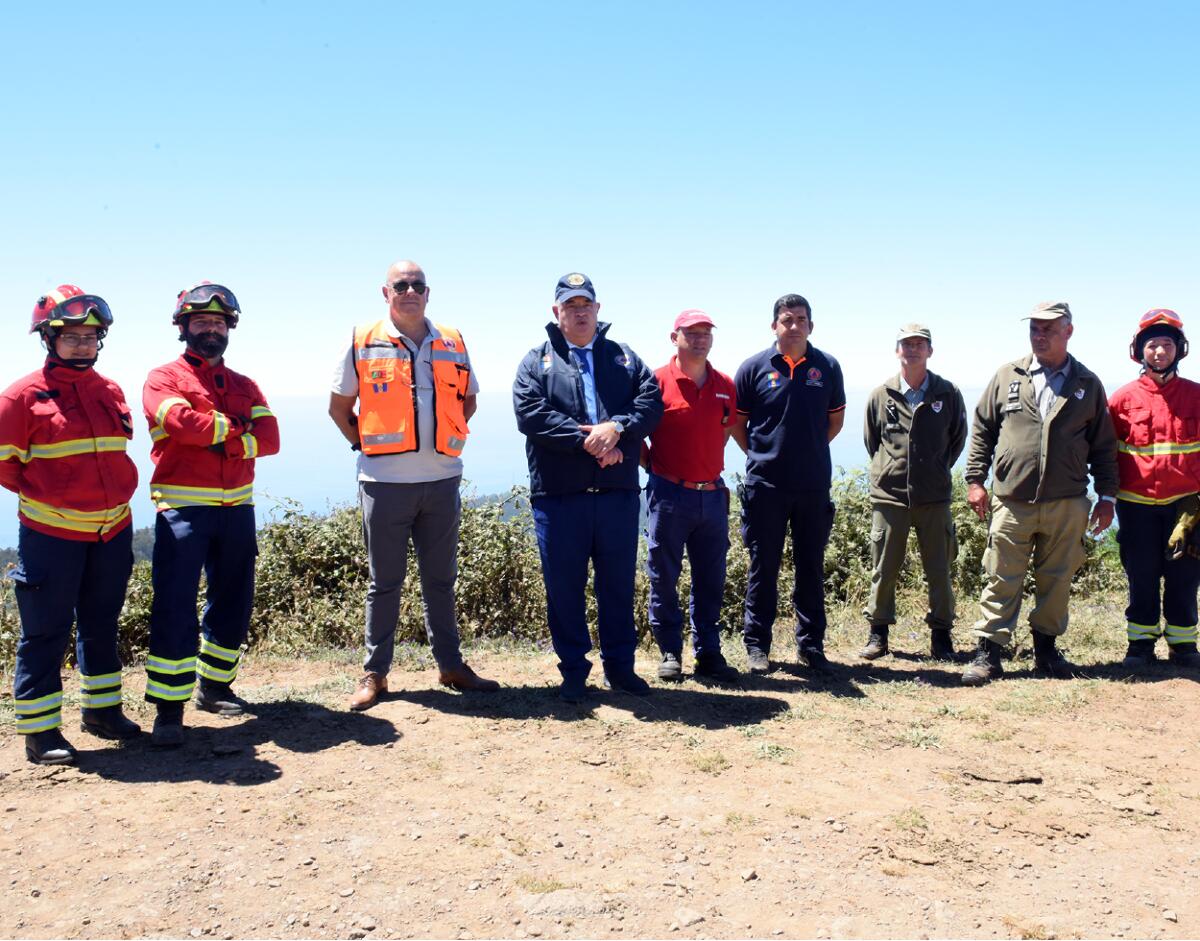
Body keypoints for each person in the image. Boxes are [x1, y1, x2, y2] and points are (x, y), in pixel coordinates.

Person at [330, 260, 498, 711]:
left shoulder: (452, 340)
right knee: (384, 583)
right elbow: (339, 408)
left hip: (442, 480)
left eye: (417, 285)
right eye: (400, 285)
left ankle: (451, 666)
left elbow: (468, 400)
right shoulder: (362, 339)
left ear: (428, 292)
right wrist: (367, 447)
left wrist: (445, 439)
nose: (410, 291)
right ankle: (374, 674)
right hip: (384, 483)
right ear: (385, 292)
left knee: (441, 580)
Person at [0, 286, 142, 764]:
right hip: (52, 537)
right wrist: (55, 499)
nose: (83, 346)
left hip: (112, 531)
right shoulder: (20, 398)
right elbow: (7, 467)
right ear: (48, 338)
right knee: (46, 632)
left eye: (90, 337)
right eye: (72, 337)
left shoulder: (110, 390)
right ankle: (41, 734)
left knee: (101, 624)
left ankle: (102, 713)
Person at [513, 272, 663, 702]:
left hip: (617, 496)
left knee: (617, 586)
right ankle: (574, 673)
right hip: (559, 498)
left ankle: (621, 670)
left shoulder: (624, 358)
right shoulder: (536, 361)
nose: (580, 313)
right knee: (564, 590)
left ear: (598, 309)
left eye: (586, 305)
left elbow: (651, 403)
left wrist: (617, 428)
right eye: (570, 306)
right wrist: (591, 443)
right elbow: (531, 415)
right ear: (556, 312)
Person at [142, 282, 280, 745]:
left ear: (230, 328)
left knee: (233, 600)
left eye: (219, 323)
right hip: (182, 510)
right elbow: (181, 424)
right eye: (201, 321)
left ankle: (216, 688)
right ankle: (168, 709)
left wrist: (223, 438)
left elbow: (272, 438)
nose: (211, 330)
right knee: (175, 605)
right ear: (183, 327)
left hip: (237, 507)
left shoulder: (245, 384)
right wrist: (237, 429)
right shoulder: (163, 378)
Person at [963, 301, 1118, 686]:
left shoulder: (1087, 383)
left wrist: (1107, 497)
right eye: (1034, 327)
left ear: (1069, 331)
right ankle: (988, 654)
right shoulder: (1007, 376)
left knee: (1057, 579)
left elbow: (1103, 445)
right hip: (1012, 499)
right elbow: (983, 429)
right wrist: (975, 480)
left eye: (1049, 328)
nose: (1039, 335)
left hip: (1067, 501)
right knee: (1000, 576)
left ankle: (1046, 652)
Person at [730, 294, 846, 675]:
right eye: (786, 319)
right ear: (774, 325)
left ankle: (811, 646)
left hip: (812, 485)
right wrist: (763, 454)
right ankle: (756, 646)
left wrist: (808, 451)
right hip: (765, 486)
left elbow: (835, 422)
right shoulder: (752, 368)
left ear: (811, 325)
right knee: (763, 567)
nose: (794, 325)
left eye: (801, 319)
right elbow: (737, 424)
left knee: (810, 566)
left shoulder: (827, 366)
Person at [642, 310, 739, 684]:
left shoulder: (724, 384)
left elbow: (725, 431)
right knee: (664, 575)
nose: (700, 339)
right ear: (675, 337)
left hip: (711, 495)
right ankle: (670, 652)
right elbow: (636, 435)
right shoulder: (655, 382)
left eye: (705, 333)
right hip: (669, 495)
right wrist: (658, 469)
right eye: (692, 333)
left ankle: (708, 653)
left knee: (710, 578)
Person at [860, 324, 968, 661]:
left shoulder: (948, 393)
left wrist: (933, 470)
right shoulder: (881, 395)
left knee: (939, 569)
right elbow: (872, 441)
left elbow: (957, 439)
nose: (913, 349)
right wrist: (892, 471)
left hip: (934, 497)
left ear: (930, 351)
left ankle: (942, 637)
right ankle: (878, 635)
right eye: (906, 344)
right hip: (889, 497)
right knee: (883, 568)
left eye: (920, 344)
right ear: (897, 351)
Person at [1108, 309, 1200, 670]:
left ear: (1179, 349)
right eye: (1152, 345)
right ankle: (1140, 645)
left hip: (1186, 507)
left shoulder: (1195, 396)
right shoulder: (1121, 400)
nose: (1159, 351)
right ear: (1139, 351)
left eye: (1166, 344)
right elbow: (1104, 454)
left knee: (1184, 577)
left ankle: (1184, 644)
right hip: (1136, 507)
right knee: (1141, 575)